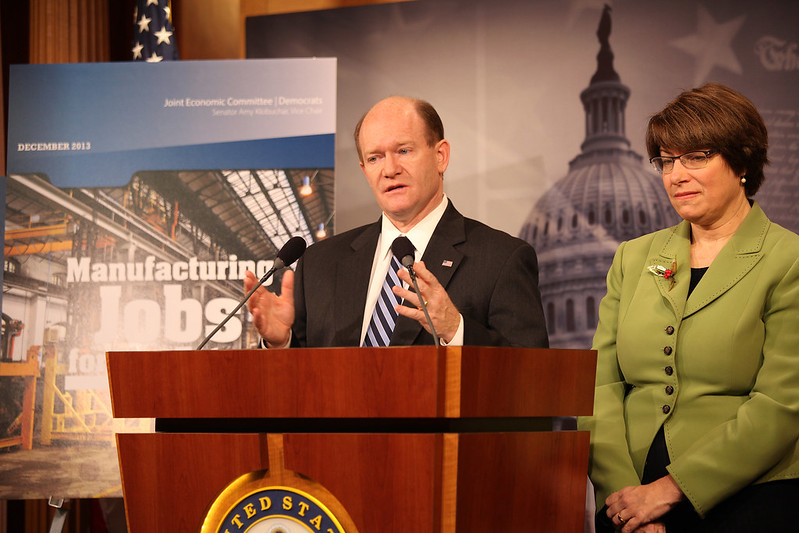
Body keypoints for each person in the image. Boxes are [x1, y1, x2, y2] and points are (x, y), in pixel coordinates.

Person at [579, 82, 799, 532]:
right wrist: (624, 500)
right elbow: (600, 387)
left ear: (742, 161)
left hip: (746, 496)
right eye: (666, 160)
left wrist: (666, 492)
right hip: (629, 499)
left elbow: (781, 405)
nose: (675, 175)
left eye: (696, 157)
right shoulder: (633, 257)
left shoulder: (788, 259)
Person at [244, 95, 548, 349]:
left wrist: (456, 330)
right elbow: (302, 379)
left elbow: (531, 376)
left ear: (440, 156)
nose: (389, 169)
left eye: (404, 151)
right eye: (375, 158)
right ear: (364, 170)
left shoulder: (501, 259)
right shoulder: (320, 263)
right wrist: (280, 343)